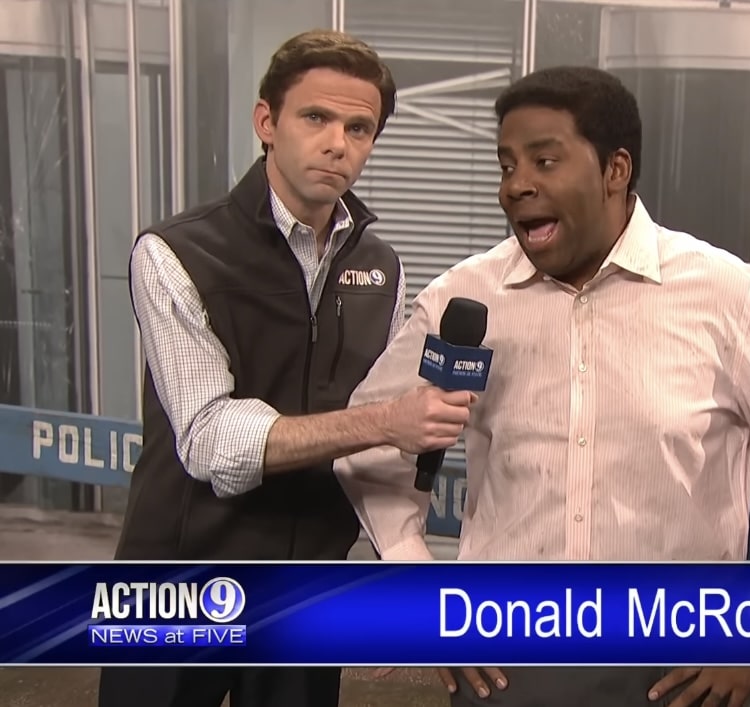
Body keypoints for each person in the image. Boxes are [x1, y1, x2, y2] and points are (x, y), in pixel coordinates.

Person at [335, 65, 750, 706]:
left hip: (681, 671)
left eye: (544, 161)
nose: (517, 186)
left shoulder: (727, 295)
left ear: (615, 170)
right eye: (507, 165)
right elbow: (370, 438)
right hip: (509, 669)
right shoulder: (465, 297)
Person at [98, 30, 475, 707]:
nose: (338, 143)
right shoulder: (174, 253)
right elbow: (210, 441)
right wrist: (384, 421)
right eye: (316, 118)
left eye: (359, 128)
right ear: (266, 122)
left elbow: (381, 451)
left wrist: (403, 568)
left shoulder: (381, 268)